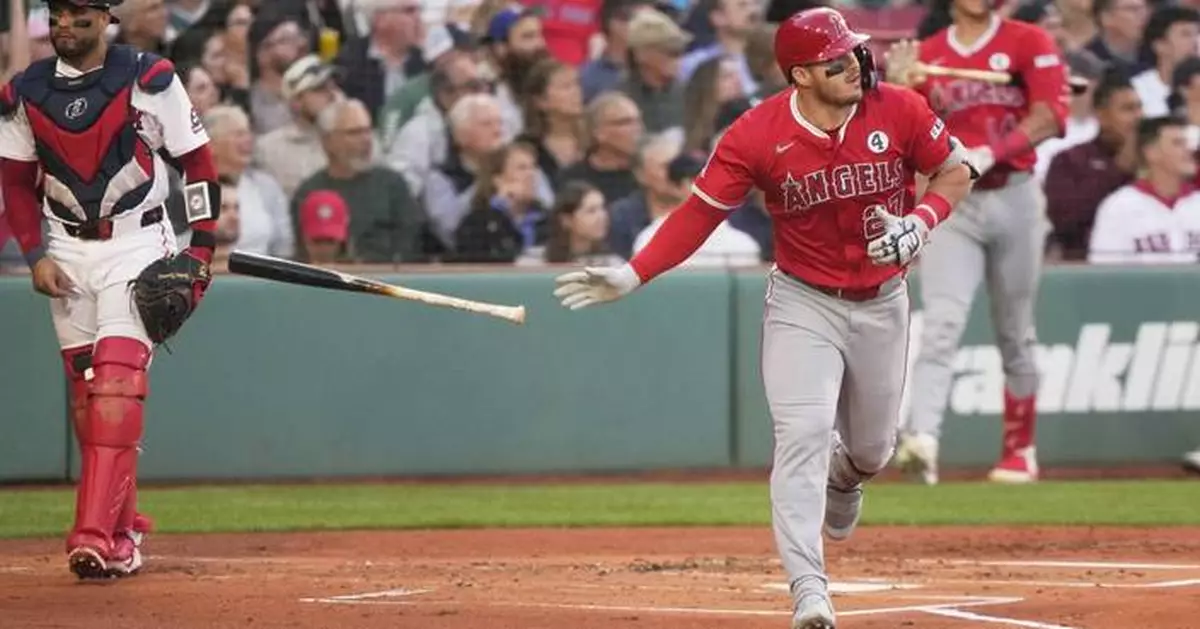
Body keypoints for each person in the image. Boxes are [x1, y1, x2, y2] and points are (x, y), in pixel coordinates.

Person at [552, 8, 973, 628]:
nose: (855, 65)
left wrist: (920, 222)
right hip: (804, 302)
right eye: (837, 59)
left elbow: (956, 171)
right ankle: (809, 590)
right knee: (800, 435)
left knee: (874, 449)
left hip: (884, 300)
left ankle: (846, 476)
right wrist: (632, 273)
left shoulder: (900, 108)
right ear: (800, 74)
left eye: (856, 52)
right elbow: (698, 214)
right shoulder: (755, 134)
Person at [0, 0, 219, 579]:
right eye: (58, 15)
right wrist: (35, 254)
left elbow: (198, 163)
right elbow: (17, 182)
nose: (66, 26)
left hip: (138, 241)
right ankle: (123, 524)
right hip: (67, 248)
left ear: (105, 20)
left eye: (80, 16)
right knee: (87, 395)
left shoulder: (150, 79)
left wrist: (200, 249)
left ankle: (96, 536)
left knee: (117, 386)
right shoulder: (23, 92)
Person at [885, 0, 1070, 486]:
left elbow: (1049, 115)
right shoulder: (927, 51)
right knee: (942, 323)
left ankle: (1019, 449)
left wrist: (994, 150)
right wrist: (897, 89)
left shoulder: (1028, 40)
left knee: (1015, 330)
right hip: (956, 200)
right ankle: (921, 441)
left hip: (1015, 195)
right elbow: (901, 131)